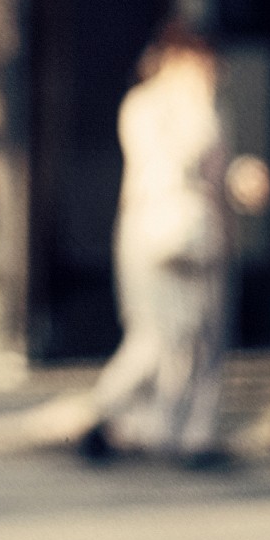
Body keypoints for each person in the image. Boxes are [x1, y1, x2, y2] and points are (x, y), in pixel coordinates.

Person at [80, 23, 230, 465]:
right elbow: (169, 162)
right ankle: (104, 409)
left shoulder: (211, 108)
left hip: (205, 235)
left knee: (200, 341)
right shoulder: (148, 105)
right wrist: (196, 109)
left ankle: (181, 435)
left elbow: (218, 175)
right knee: (156, 337)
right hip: (156, 233)